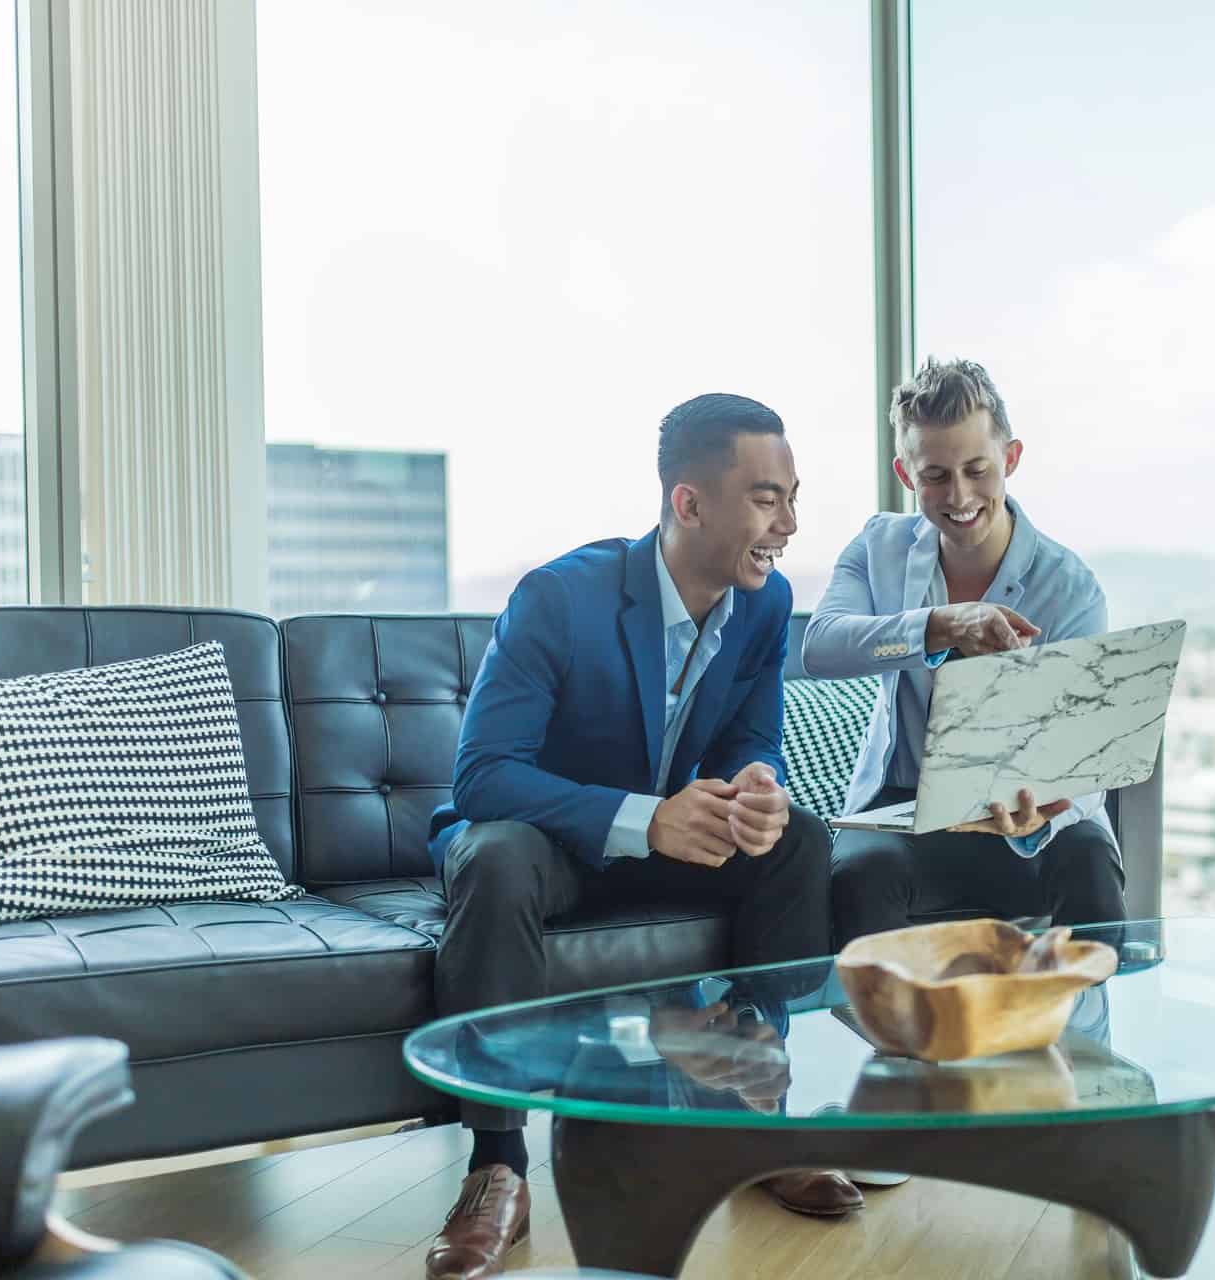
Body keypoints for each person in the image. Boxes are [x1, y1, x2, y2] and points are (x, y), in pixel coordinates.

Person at [421, 393, 854, 1280]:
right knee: (495, 859)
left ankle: (753, 1109)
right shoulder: (559, 597)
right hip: (552, 847)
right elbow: (483, 777)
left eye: (794, 496)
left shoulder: (766, 606)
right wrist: (642, 817)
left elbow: (750, 737)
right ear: (689, 503)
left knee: (798, 841)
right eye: (768, 498)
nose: (791, 523)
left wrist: (759, 783)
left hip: (673, 845)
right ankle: (496, 1167)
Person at [803, 357, 1128, 953]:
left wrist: (1044, 812)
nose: (959, 496)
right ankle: (884, 1044)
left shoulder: (1070, 587)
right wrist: (938, 626)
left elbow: (1088, 758)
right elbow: (821, 646)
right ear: (905, 473)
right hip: (904, 809)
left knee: (1088, 859)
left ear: (1011, 458)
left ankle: (1088, 1042)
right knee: (859, 874)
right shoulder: (878, 548)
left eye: (977, 469)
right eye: (935, 476)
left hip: (1025, 813)